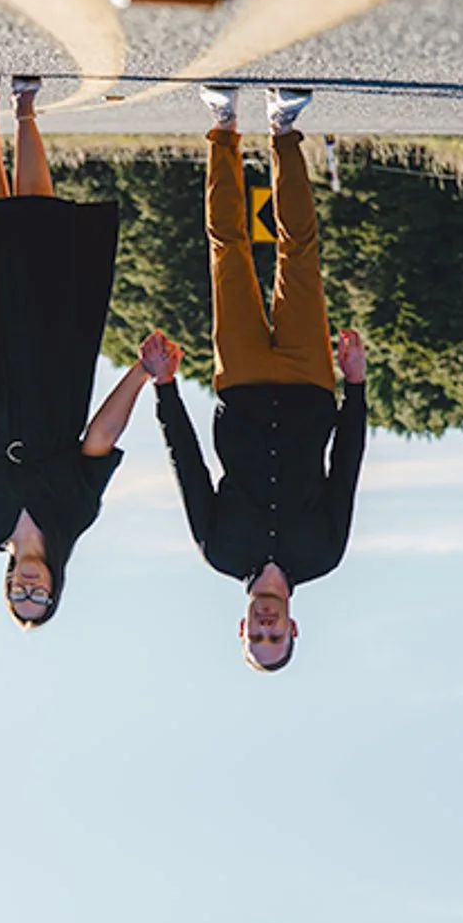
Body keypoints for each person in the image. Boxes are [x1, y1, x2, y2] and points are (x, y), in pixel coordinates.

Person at [0, 71, 174, 624]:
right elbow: (100, 438)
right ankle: (27, 109)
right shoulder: (75, 514)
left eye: (20, 597)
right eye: (40, 598)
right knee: (41, 229)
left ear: (9, 587)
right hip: (54, 374)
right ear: (56, 588)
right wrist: (140, 373)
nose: (29, 590)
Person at [147, 87, 366, 669]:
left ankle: (222, 126)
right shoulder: (323, 555)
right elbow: (346, 468)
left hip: (239, 385)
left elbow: (189, 469)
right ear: (294, 627)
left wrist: (165, 389)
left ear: (241, 627)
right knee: (299, 253)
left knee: (228, 252)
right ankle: (283, 130)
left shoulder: (219, 551)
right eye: (277, 638)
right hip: (311, 385)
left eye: (256, 638)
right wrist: (356, 387)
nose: (266, 629)